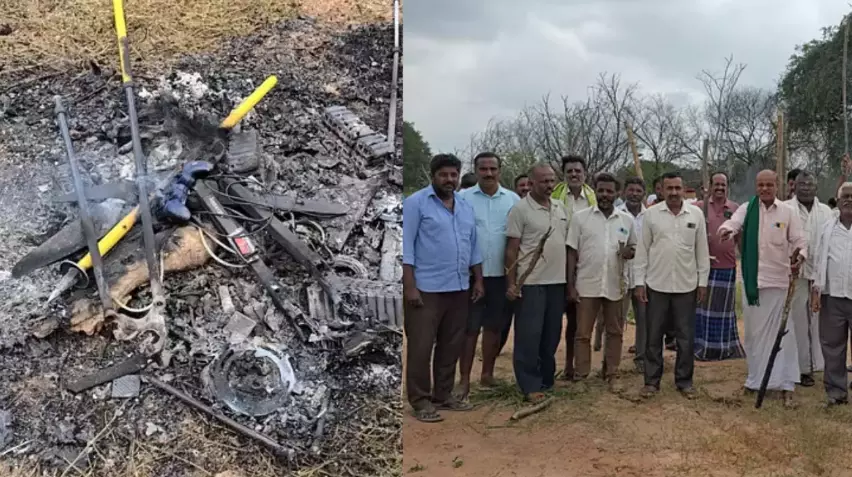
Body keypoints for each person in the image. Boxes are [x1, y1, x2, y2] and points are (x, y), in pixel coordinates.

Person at [402, 154, 484, 422]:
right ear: (433, 175)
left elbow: (473, 246)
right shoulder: (415, 204)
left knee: (451, 345)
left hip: (459, 286)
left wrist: (478, 280)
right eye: (444, 175)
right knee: (421, 347)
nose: (450, 180)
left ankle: (444, 394)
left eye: (454, 175)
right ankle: (421, 400)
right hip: (426, 289)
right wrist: (410, 287)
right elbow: (406, 248)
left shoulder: (464, 205)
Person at [718, 169, 807, 409]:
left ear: (777, 186)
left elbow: (800, 241)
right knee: (755, 335)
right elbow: (732, 223)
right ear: (756, 187)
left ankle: (787, 384)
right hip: (752, 285)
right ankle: (756, 380)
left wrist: (801, 256)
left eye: (769, 184)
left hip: (779, 284)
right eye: (761, 185)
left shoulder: (788, 211)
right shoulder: (748, 209)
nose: (765, 188)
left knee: (783, 337)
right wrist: (726, 230)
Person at [634, 171, 710, 399]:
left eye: (678, 188)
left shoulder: (695, 215)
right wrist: (639, 282)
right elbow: (642, 251)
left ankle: (685, 381)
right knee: (653, 336)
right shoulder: (651, 215)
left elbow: (702, 252)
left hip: (686, 287)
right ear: (662, 190)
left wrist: (702, 282)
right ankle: (651, 381)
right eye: (669, 188)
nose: (674, 193)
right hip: (656, 286)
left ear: (683, 188)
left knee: (686, 337)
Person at [456, 152, 520, 399]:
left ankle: (487, 374)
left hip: (501, 276)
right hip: (471, 276)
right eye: (483, 169)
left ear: (500, 170)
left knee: (494, 327)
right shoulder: (463, 198)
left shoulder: (512, 200)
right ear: (476, 170)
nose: (489, 173)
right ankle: (463, 380)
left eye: (493, 168)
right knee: (470, 329)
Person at [505, 163, 569, 403]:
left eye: (552, 181)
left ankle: (546, 380)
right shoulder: (520, 210)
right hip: (530, 283)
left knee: (551, 334)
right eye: (544, 181)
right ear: (531, 183)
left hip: (557, 281)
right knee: (529, 335)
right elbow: (511, 250)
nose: (549, 185)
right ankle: (529, 385)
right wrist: (511, 283)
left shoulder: (560, 208)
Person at [566, 173, 636, 391]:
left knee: (615, 331)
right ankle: (581, 375)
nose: (605, 195)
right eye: (601, 190)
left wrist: (628, 252)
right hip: (587, 283)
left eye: (610, 191)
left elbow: (633, 249)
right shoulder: (580, 218)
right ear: (594, 190)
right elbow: (571, 252)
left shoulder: (626, 220)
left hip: (616, 284)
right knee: (583, 332)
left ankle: (612, 373)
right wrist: (570, 284)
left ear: (618, 193)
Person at [784, 171, 833, 386]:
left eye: (810, 184)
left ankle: (820, 364)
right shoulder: (786, 209)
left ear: (816, 187)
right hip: (797, 274)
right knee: (798, 321)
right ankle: (802, 369)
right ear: (794, 187)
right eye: (802, 184)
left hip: (821, 275)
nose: (806, 188)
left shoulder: (826, 212)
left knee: (820, 322)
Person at [692, 172, 745, 361]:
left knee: (723, 311)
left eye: (723, 185)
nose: (720, 188)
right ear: (710, 186)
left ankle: (724, 348)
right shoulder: (699, 208)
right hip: (704, 267)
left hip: (727, 266)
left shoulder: (734, 208)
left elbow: (739, 237)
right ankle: (704, 347)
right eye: (717, 185)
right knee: (703, 310)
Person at [551, 155, 596, 381]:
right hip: (557, 264)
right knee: (553, 321)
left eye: (578, 171)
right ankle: (552, 367)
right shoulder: (555, 198)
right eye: (569, 172)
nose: (574, 175)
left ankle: (573, 366)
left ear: (584, 173)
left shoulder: (593, 199)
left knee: (577, 323)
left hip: (584, 266)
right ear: (564, 174)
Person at [810, 182, 852, 405]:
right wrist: (816, 291)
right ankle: (836, 392)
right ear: (838, 199)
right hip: (832, 296)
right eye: (845, 195)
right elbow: (819, 260)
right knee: (832, 346)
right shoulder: (828, 227)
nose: (849, 199)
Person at [618, 177, 647, 372]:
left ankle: (642, 358)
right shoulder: (616, 214)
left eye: (638, 190)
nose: (634, 194)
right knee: (617, 319)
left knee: (644, 319)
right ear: (624, 192)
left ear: (643, 193)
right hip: (620, 275)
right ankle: (611, 362)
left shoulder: (651, 215)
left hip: (644, 276)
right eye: (631, 190)